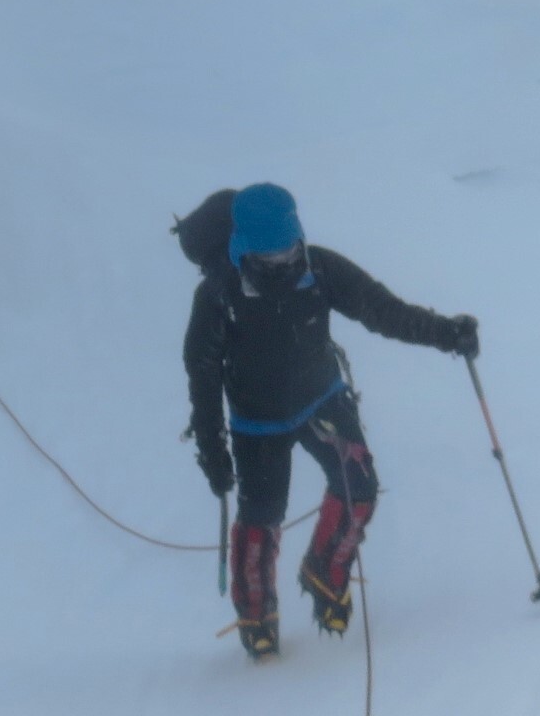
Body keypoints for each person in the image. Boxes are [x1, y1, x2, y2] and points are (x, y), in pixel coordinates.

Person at [182, 182, 478, 660]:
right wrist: (213, 449)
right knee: (261, 520)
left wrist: (446, 333)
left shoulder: (319, 268)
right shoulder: (218, 294)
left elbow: (382, 310)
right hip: (257, 422)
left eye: (290, 249)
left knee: (359, 487)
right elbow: (202, 376)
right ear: (244, 249)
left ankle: (325, 570)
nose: (284, 262)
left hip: (322, 400)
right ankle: (256, 613)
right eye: (270, 257)